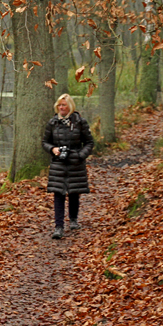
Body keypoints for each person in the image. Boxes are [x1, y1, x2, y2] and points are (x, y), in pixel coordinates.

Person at [42, 93, 94, 239]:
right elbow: (45, 142)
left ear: (70, 106)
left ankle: (73, 219)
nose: (61, 108)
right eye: (59, 105)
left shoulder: (80, 122)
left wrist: (80, 155)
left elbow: (89, 143)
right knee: (58, 193)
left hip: (75, 162)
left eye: (64, 105)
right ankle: (58, 227)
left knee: (73, 192)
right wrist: (53, 150)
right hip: (58, 163)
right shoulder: (52, 123)